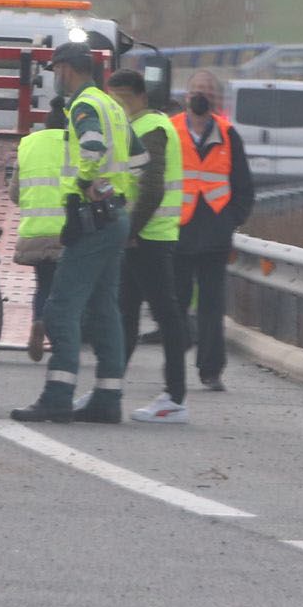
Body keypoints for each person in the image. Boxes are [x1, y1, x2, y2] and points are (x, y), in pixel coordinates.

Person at [12, 42, 134, 425]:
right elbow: (140, 157)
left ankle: (57, 396)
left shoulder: (82, 105)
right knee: (103, 309)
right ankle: (107, 398)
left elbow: (93, 147)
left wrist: (84, 184)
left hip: (91, 216)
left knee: (61, 308)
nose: (55, 78)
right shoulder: (113, 104)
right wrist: (116, 191)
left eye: (55, 71)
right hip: (115, 215)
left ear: (67, 68)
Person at [106, 68, 189, 424]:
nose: (116, 107)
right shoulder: (138, 127)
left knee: (164, 316)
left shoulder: (151, 128)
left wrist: (130, 230)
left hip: (149, 236)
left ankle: (174, 397)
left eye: (120, 100)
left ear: (138, 96)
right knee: (125, 314)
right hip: (142, 235)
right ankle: (109, 388)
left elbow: (153, 189)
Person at [172, 68, 253, 392]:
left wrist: (230, 220)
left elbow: (243, 186)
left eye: (206, 90)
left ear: (215, 98)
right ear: (186, 95)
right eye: (195, 90)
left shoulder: (228, 134)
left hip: (214, 235)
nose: (200, 95)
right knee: (174, 305)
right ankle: (173, 366)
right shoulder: (171, 129)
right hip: (177, 230)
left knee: (212, 307)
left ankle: (210, 370)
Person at [9, 96, 69, 363]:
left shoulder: (28, 144)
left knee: (43, 284)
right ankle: (59, 340)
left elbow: (14, 194)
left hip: (35, 230)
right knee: (66, 289)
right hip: (68, 232)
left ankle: (38, 321)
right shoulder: (76, 144)